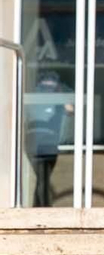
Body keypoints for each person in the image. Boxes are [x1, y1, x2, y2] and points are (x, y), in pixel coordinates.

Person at [24, 69, 71, 207]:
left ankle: (37, 206)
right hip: (36, 140)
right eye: (46, 83)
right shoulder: (35, 96)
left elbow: (70, 109)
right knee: (42, 177)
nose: (48, 86)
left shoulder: (56, 99)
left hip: (48, 142)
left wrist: (60, 93)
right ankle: (44, 207)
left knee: (42, 177)